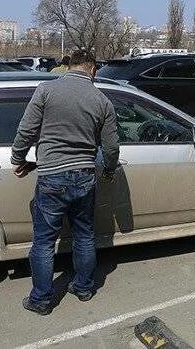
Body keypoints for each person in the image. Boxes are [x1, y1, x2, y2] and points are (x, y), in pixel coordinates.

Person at [11, 49, 119, 315]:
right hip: (84, 177)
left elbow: (27, 130)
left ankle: (41, 300)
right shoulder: (102, 100)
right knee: (84, 236)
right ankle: (83, 288)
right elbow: (111, 147)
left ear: (70, 66)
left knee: (44, 242)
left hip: (51, 177)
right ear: (92, 69)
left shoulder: (46, 90)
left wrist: (18, 158)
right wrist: (108, 171)